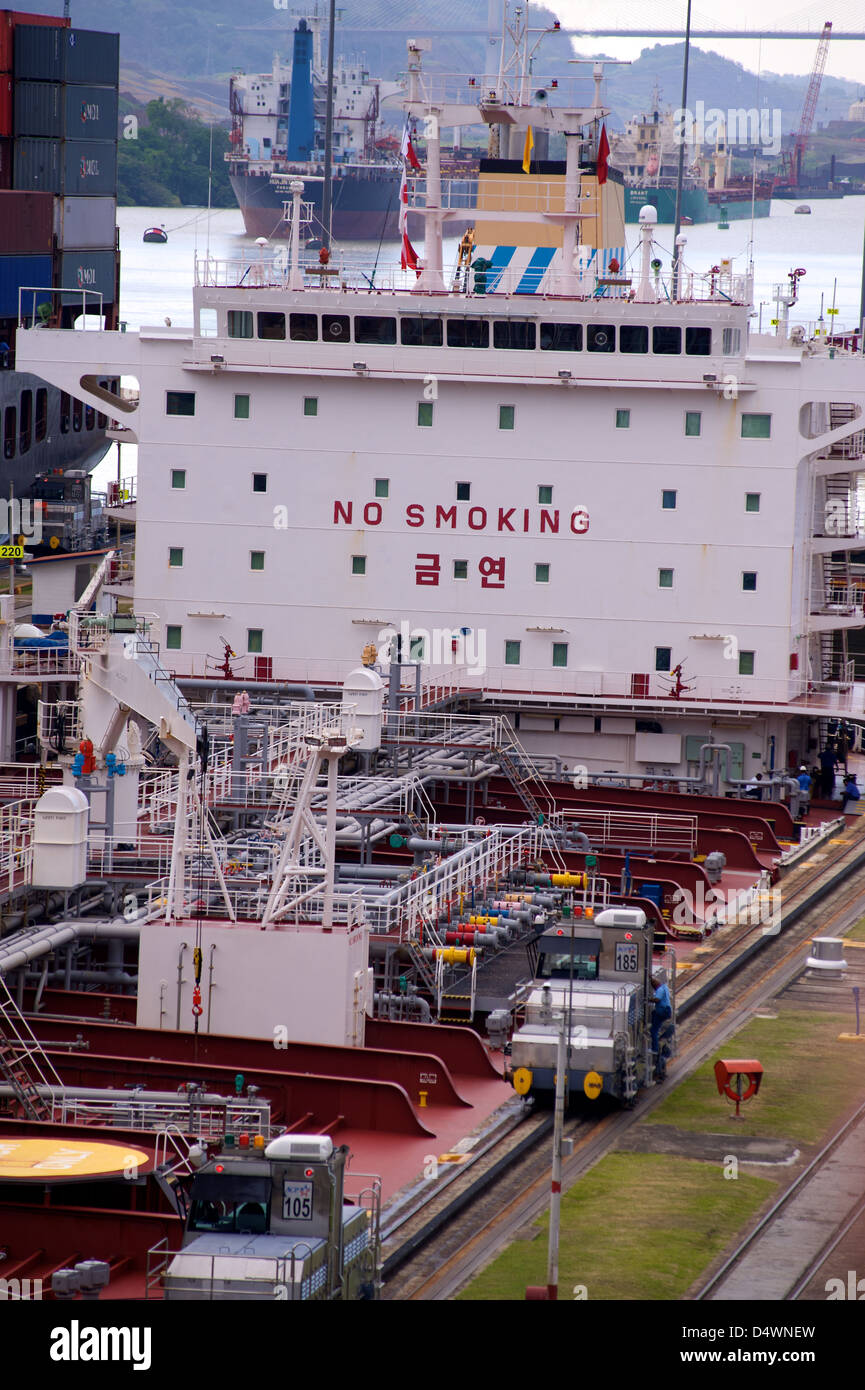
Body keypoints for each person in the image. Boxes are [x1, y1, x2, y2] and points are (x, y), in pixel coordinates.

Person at [650, 973, 672, 1075]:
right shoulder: (664, 987)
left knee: (653, 1030)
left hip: (662, 1011)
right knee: (654, 1014)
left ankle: (654, 1048)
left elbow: (657, 999)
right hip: (667, 1011)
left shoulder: (659, 990)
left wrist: (648, 999)